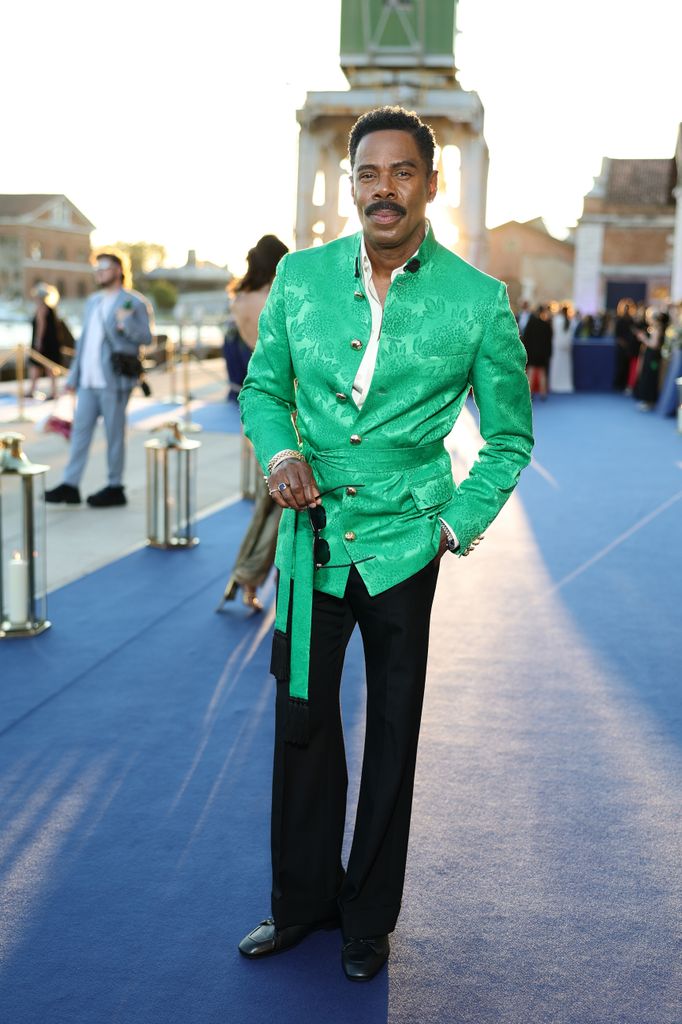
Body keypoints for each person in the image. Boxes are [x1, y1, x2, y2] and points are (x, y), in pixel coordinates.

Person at [237, 106, 534, 982]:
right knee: (301, 728)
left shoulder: (478, 301)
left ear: (430, 184)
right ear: (352, 184)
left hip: (408, 546)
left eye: (402, 173)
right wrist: (282, 448)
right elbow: (263, 389)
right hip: (308, 543)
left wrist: (455, 524)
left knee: (393, 735)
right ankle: (301, 905)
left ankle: (368, 919)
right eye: (368, 174)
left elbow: (509, 437)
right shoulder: (298, 278)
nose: (383, 190)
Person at [45, 251, 152, 507]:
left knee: (114, 435)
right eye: (96, 267)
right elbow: (83, 343)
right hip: (88, 382)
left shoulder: (134, 302)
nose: (99, 271)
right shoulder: (93, 301)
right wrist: (73, 377)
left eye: (104, 267)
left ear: (118, 269)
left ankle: (115, 486)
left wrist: (125, 326)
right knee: (80, 433)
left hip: (113, 380)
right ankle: (70, 484)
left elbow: (146, 338)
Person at [219, 234, 289, 609]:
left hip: (255, 404)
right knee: (279, 502)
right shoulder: (277, 298)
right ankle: (250, 576)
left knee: (267, 501)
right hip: (285, 406)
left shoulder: (241, 300)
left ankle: (244, 578)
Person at [29, 282, 62, 400]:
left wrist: (38, 342)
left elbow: (41, 325)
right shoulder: (51, 308)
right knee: (48, 368)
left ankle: (32, 390)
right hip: (51, 342)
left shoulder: (42, 308)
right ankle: (53, 391)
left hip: (44, 343)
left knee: (37, 366)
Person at [634, 309, 667, 410]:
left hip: (653, 358)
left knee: (650, 377)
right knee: (647, 376)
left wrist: (643, 338)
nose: (648, 319)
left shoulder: (657, 329)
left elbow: (654, 344)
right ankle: (647, 400)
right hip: (650, 356)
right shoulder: (653, 328)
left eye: (649, 317)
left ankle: (649, 401)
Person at [522, 304, 552, 398]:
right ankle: (543, 393)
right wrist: (548, 353)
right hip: (542, 353)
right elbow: (549, 341)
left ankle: (530, 393)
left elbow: (525, 339)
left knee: (531, 371)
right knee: (542, 372)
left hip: (532, 353)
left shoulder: (530, 324)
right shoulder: (546, 325)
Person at [548, 303, 574, 393]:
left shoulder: (557, 319)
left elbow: (553, 332)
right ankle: (564, 384)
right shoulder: (569, 321)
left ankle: (556, 385)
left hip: (557, 347)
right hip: (565, 348)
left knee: (557, 365)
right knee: (564, 367)